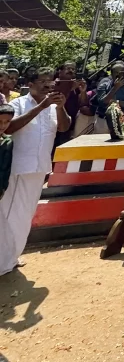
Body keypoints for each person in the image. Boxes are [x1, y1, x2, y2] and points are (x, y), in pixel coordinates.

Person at [0, 68, 69, 275]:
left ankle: (11, 257)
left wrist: (60, 107)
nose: (48, 85)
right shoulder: (18, 104)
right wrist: (41, 106)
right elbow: (8, 128)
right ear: (30, 84)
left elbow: (64, 128)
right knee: (10, 216)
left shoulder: (53, 106)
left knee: (25, 216)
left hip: (39, 169)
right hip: (18, 169)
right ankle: (3, 262)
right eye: (42, 81)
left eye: (51, 82)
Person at [92, 61, 124, 133]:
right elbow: (102, 102)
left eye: (121, 72)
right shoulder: (104, 85)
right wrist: (115, 88)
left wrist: (118, 102)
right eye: (116, 72)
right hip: (103, 120)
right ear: (112, 74)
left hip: (121, 119)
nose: (119, 74)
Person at [0, 104, 14, 200]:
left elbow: (6, 168)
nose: (3, 126)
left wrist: (3, 188)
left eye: (7, 122)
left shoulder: (8, 141)